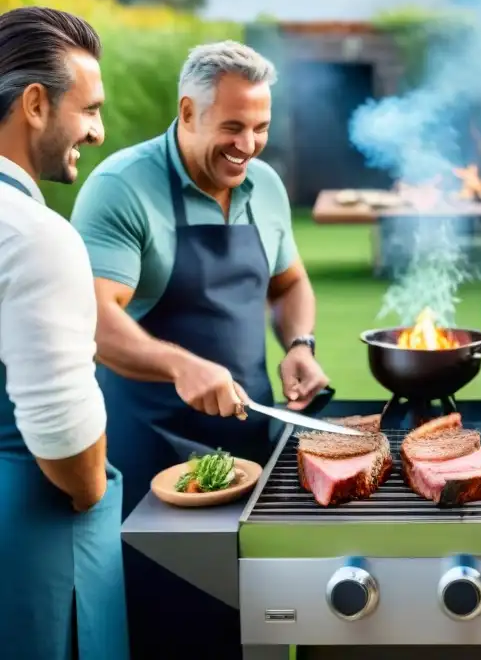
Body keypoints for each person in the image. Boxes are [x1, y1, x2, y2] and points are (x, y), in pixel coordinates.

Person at [70, 40, 328, 659]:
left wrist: (299, 343)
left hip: (250, 445)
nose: (249, 145)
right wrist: (180, 364)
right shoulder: (121, 187)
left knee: (257, 623)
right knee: (165, 620)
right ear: (188, 112)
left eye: (261, 127)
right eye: (233, 127)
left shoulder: (263, 185)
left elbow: (288, 283)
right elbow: (95, 321)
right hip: (149, 449)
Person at [0, 7, 128, 660]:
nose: (98, 132)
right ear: (34, 104)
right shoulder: (36, 236)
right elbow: (68, 448)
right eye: (89, 110)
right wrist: (91, 486)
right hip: (32, 553)